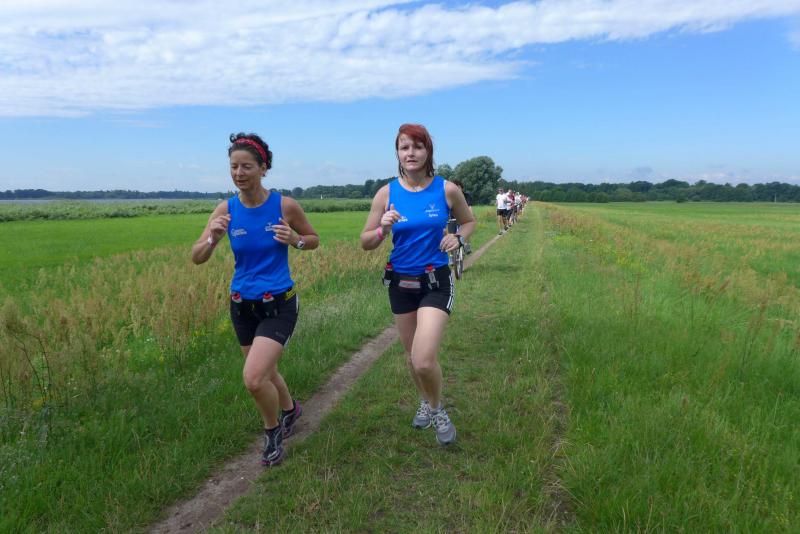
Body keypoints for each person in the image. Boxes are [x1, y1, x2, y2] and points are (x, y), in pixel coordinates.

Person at [191, 132, 319, 467]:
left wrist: (295, 240)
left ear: (263, 169)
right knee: (266, 370)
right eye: (234, 166)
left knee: (253, 378)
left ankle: (272, 431)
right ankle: (291, 410)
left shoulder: (284, 206)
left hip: (279, 304)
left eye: (246, 166)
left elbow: (312, 239)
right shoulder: (226, 209)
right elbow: (196, 256)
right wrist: (212, 239)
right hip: (242, 306)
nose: (239, 173)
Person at [361, 123, 475, 446]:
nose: (411, 153)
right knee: (412, 357)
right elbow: (366, 241)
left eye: (417, 146)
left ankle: (437, 409)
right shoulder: (386, 194)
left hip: (435, 281)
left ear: (428, 152)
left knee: (424, 359)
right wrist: (382, 229)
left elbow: (469, 221)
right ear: (397, 153)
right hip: (400, 283)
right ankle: (425, 400)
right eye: (404, 147)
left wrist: (458, 238)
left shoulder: (446, 189)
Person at [450, 179, 474, 254]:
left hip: (463, 217)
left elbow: (469, 207)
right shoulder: (449, 196)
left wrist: (470, 216)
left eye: (458, 187)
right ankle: (452, 256)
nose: (456, 189)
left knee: (466, 229)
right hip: (452, 218)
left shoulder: (466, 196)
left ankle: (466, 245)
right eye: (454, 187)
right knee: (451, 237)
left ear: (461, 188)